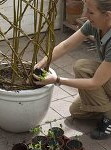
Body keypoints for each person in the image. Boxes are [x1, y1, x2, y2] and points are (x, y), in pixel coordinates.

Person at [33, 0, 111, 140]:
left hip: (102, 80)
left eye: (91, 12)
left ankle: (109, 116)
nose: (86, 15)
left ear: (108, 16)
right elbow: (66, 46)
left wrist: (56, 80)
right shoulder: (95, 25)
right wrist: (43, 63)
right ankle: (105, 106)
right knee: (76, 111)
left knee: (82, 67)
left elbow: (95, 82)